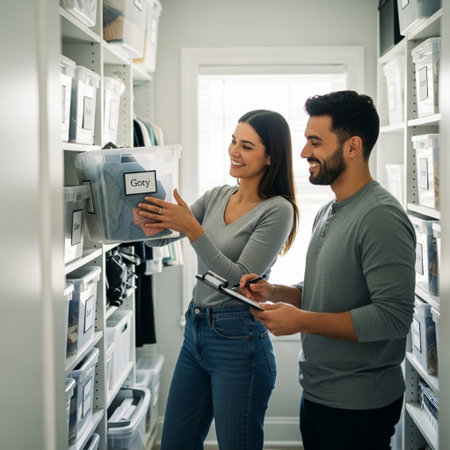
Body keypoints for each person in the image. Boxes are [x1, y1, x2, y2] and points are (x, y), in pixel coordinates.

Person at [239, 91, 416, 450]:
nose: (304, 152)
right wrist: (276, 292)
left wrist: (301, 321)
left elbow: (393, 318)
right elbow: (325, 290)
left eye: (315, 142)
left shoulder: (380, 217)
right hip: (319, 394)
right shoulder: (329, 210)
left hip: (359, 405)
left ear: (352, 147)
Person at [137, 109, 299, 450]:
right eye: (233, 140)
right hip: (196, 331)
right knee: (175, 444)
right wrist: (149, 224)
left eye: (247, 146)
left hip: (238, 341)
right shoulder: (216, 196)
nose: (234, 151)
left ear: (271, 156)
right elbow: (163, 238)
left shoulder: (278, 210)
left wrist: (192, 228)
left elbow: (240, 277)